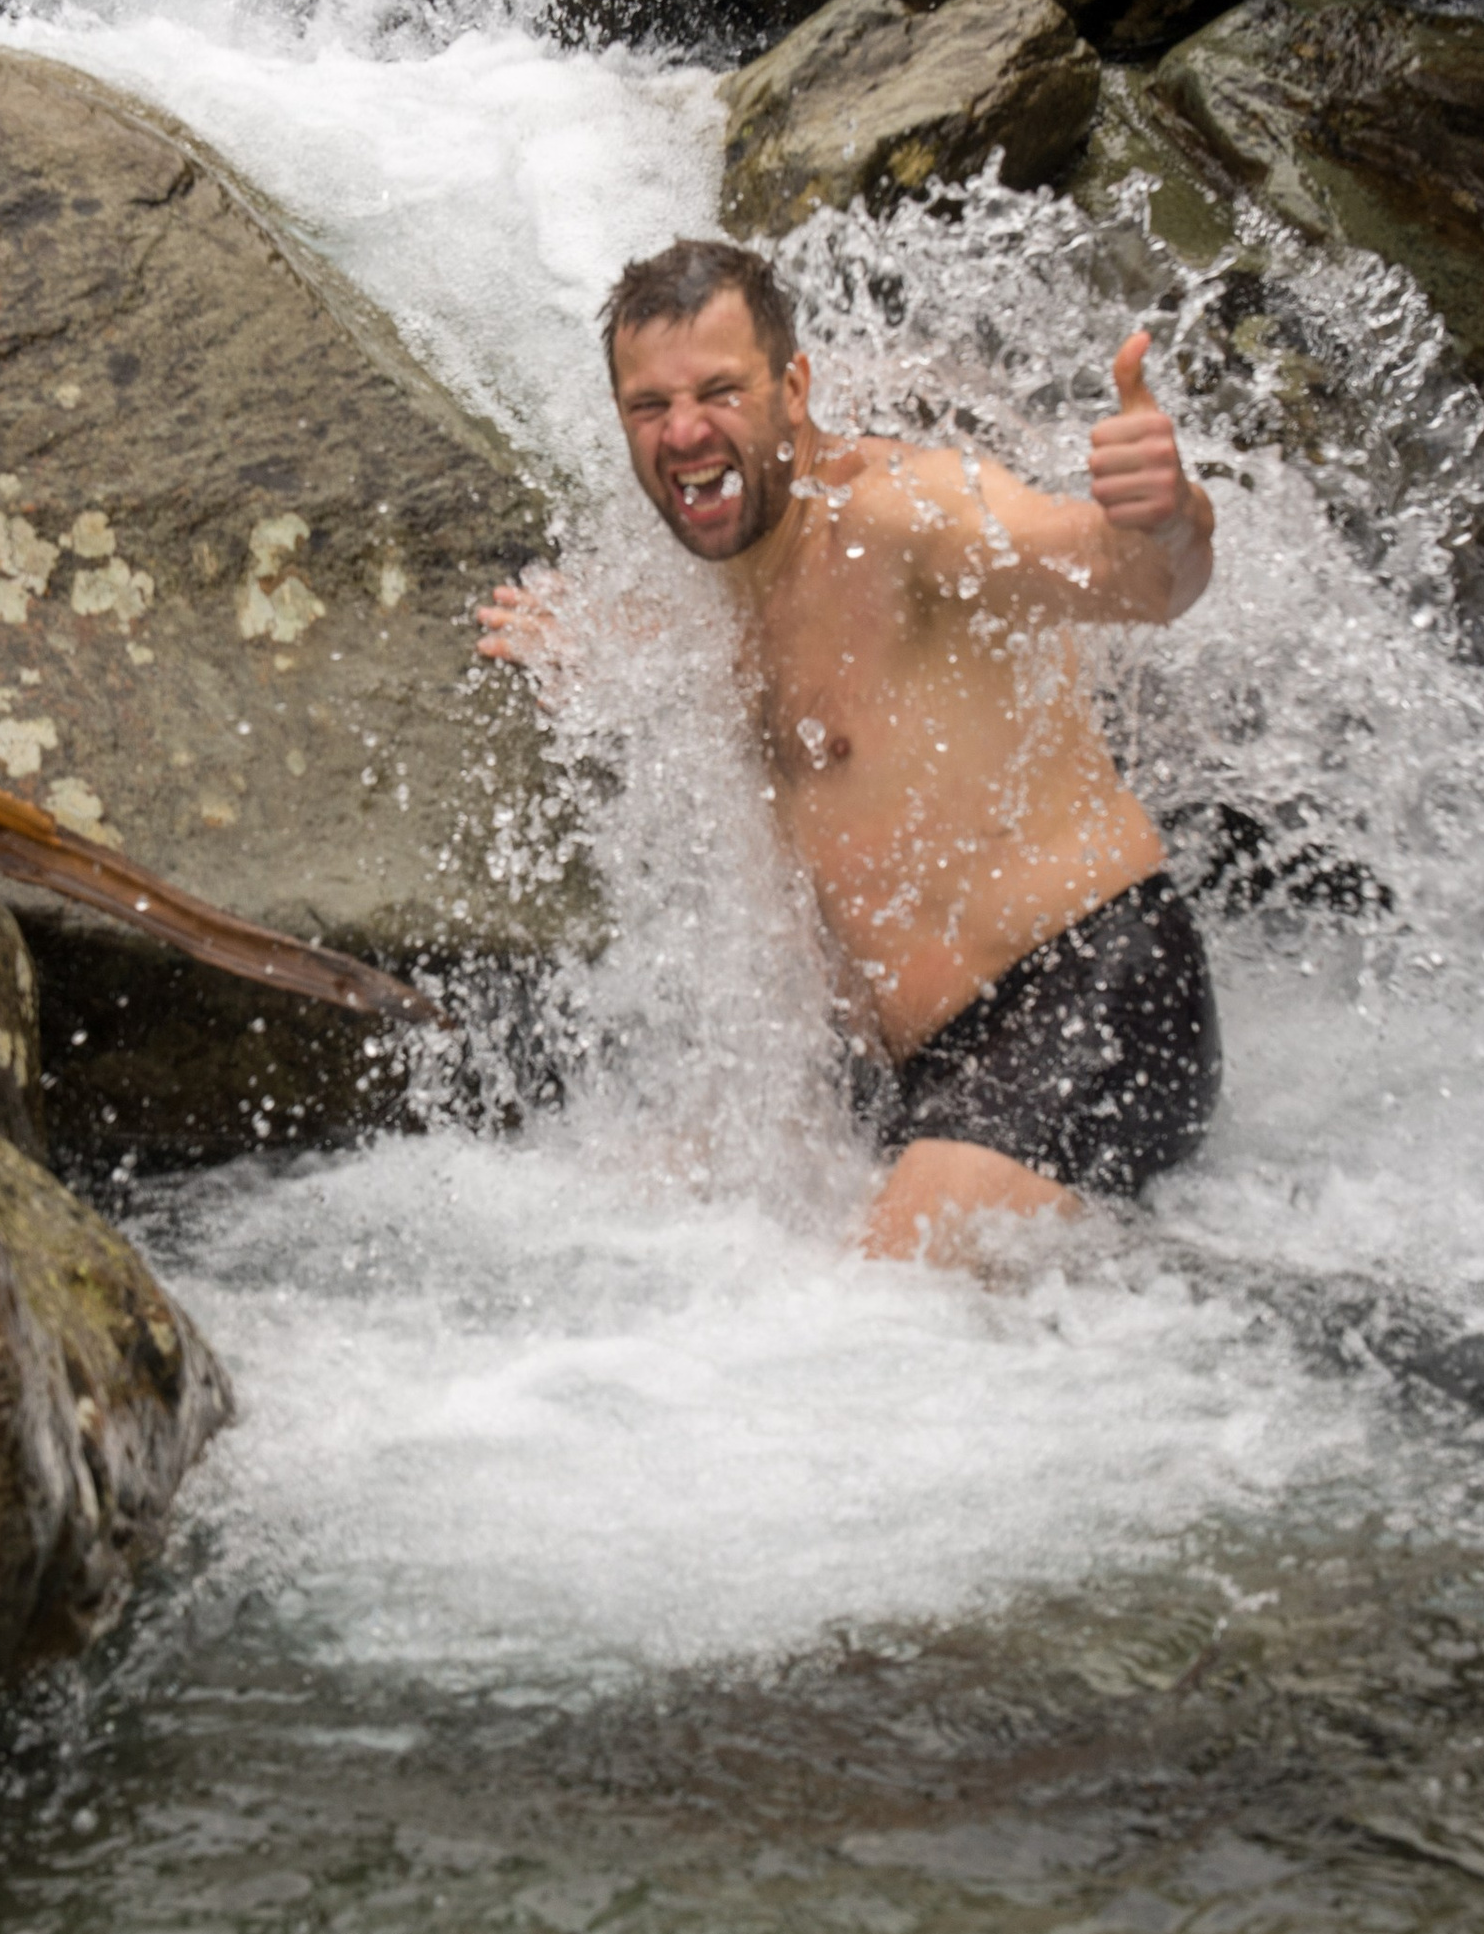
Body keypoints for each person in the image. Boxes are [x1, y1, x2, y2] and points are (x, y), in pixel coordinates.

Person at [476, 236, 1221, 1264]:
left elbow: (1131, 582)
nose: (684, 433)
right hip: (901, 1070)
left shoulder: (899, 513)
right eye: (649, 408)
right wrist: (590, 648)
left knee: (874, 1320)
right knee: (597, 1219)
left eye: (719, 393)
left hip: (1087, 999)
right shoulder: (704, 584)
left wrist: (1166, 518)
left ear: (793, 386)